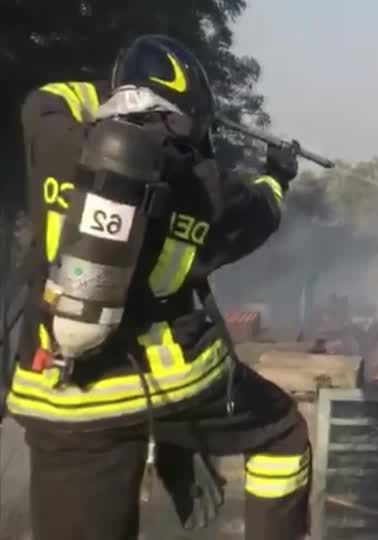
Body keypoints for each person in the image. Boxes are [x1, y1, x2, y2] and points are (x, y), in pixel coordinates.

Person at [7, 35, 311, 540]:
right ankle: (181, 439)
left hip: (54, 394)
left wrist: (122, 88)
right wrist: (278, 173)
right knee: (282, 433)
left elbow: (48, 95)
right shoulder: (207, 187)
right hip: (171, 385)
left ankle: (174, 438)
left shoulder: (54, 132)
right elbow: (262, 211)